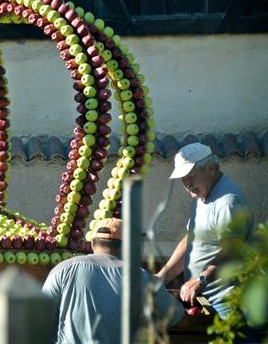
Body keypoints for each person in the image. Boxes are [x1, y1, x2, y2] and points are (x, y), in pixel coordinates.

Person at [42, 218, 184, 343]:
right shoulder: (142, 278)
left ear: (92, 244)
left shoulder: (63, 269)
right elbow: (174, 314)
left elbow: (38, 319)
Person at [155, 142, 254, 318]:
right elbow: (190, 241)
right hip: (207, 299)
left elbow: (232, 250)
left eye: (190, 176)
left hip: (229, 302)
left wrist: (201, 279)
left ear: (210, 168)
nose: (186, 184)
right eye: (183, 179)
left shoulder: (227, 202)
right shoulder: (202, 198)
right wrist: (163, 276)